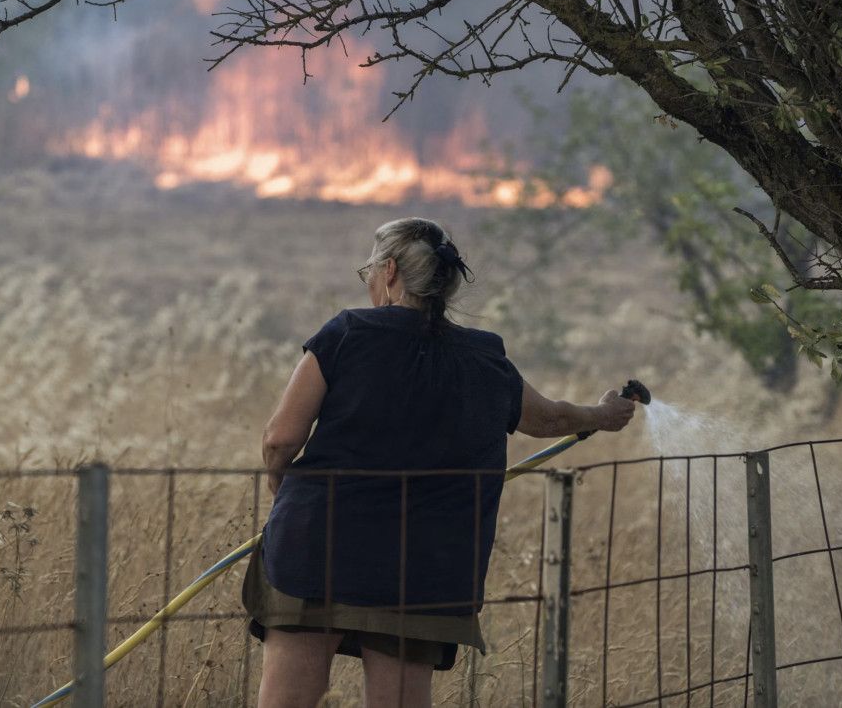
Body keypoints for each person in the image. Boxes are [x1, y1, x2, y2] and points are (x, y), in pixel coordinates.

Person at [242, 217, 637, 708]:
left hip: (314, 549)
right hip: (425, 569)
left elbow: (280, 441)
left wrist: (286, 501)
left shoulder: (347, 332)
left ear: (388, 272)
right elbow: (551, 418)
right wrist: (603, 414)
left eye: (367, 270)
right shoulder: (485, 357)